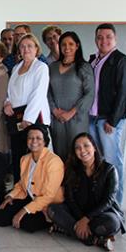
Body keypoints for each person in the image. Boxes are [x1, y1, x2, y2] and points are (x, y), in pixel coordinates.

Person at [48, 133, 124, 251]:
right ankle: (97, 240)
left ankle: (67, 229)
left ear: (94, 147)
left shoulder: (109, 170)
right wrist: (81, 219)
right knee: (53, 209)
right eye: (77, 148)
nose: (82, 150)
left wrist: (86, 219)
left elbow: (108, 200)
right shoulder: (71, 170)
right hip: (78, 212)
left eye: (86, 146)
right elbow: (70, 199)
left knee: (111, 223)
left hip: (102, 213)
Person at [88, 23, 126, 205]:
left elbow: (124, 92)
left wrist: (113, 121)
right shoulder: (93, 59)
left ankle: (115, 204)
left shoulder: (122, 61)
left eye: (108, 37)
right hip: (92, 118)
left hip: (108, 119)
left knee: (113, 161)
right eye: (100, 37)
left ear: (115, 39)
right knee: (97, 162)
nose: (103, 40)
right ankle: (99, 201)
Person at [0, 125, 64, 232]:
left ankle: (52, 221)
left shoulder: (54, 161)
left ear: (45, 141)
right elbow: (22, 184)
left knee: (28, 224)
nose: (34, 141)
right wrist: (11, 196)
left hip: (47, 203)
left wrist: (23, 210)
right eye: (30, 138)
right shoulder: (25, 159)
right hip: (29, 197)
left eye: (38, 138)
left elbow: (49, 195)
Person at [4, 34, 50, 182]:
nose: (26, 49)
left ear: (36, 48)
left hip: (34, 119)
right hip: (16, 119)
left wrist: (28, 119)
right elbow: (10, 91)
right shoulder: (16, 68)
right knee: (18, 156)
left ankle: (36, 197)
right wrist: (7, 103)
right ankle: (19, 192)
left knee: (35, 157)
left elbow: (39, 93)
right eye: (22, 46)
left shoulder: (41, 67)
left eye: (30, 46)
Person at [48, 31, 94, 161]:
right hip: (57, 119)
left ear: (77, 46)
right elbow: (47, 92)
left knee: (78, 154)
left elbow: (90, 93)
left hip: (77, 118)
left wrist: (71, 112)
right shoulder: (52, 67)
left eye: (71, 44)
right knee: (59, 155)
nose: (67, 47)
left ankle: (78, 182)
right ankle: (63, 181)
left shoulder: (84, 67)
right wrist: (55, 111)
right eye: (63, 44)